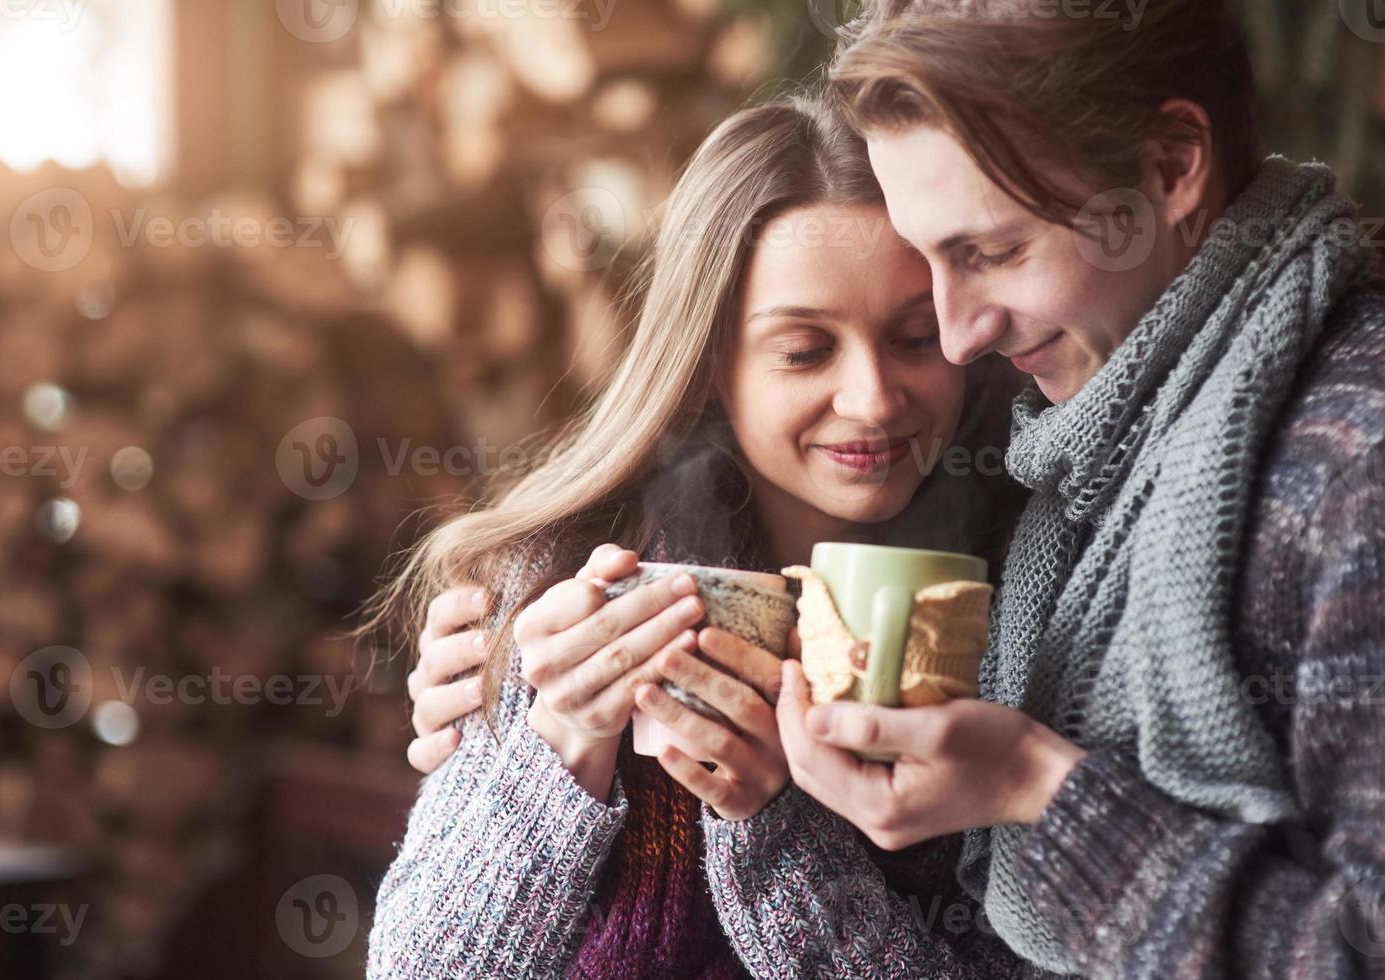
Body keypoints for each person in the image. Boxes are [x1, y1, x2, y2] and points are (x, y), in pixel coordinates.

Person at [775, 1, 1385, 976]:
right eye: (930, 260)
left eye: (994, 251)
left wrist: (1037, 789)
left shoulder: (1354, 464)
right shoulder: (1073, 443)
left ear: (1170, 166)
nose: (959, 331)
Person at [364, 92, 1028, 979]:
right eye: (804, 351)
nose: (872, 398)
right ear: (711, 356)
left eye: (914, 338)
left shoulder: (1029, 598)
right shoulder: (565, 587)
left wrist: (775, 827)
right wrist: (555, 749)